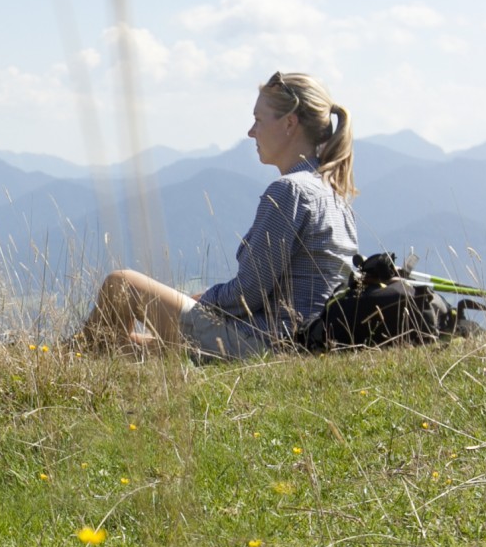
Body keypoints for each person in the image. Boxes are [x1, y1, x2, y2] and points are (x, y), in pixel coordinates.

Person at [79, 71, 361, 359]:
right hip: (302, 345)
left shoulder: (289, 190)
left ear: (289, 123)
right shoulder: (334, 192)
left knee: (121, 284)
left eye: (258, 120)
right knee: (124, 346)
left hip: (266, 342)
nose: (251, 131)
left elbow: (249, 293)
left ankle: (69, 359)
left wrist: (201, 301)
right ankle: (76, 360)